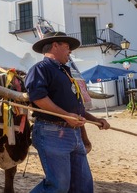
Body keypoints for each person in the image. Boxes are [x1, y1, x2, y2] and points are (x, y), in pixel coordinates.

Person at [25, 32, 110, 192]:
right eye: (67, 46)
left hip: (74, 134)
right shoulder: (40, 69)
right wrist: (65, 115)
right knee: (58, 186)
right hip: (51, 133)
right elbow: (38, 97)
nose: (70, 50)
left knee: (83, 186)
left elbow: (76, 107)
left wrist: (96, 120)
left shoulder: (66, 72)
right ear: (55, 45)